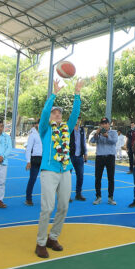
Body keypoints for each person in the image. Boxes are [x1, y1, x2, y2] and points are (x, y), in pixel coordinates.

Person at [34, 79, 82, 258]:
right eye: (54, 113)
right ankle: (40, 243)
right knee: (47, 208)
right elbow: (45, 110)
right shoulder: (44, 130)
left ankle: (52, 237)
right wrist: (54, 94)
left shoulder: (66, 129)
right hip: (49, 171)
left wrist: (77, 94)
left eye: (59, 114)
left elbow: (75, 115)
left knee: (63, 206)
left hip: (65, 170)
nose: (57, 115)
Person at [92, 117, 118, 205]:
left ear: (109, 124)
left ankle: (111, 197)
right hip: (99, 157)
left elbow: (114, 141)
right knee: (98, 177)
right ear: (100, 125)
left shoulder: (113, 132)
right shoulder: (98, 132)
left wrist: (107, 136)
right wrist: (97, 133)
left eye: (106, 123)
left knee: (111, 178)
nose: (104, 125)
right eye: (102, 124)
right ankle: (98, 196)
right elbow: (92, 141)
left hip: (110, 157)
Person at [69, 119, 87, 201]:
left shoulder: (82, 130)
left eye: (79, 118)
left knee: (80, 176)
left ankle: (78, 194)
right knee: (67, 177)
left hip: (80, 156)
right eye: (76, 118)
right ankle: (66, 195)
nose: (77, 120)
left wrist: (85, 153)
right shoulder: (68, 129)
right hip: (70, 156)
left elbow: (84, 142)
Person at [24, 120, 42, 206]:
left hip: (44, 159)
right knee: (32, 179)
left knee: (47, 180)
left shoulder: (45, 133)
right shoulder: (33, 135)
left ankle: (46, 199)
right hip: (35, 159)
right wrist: (28, 161)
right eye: (40, 123)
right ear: (36, 124)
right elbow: (28, 149)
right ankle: (28, 198)